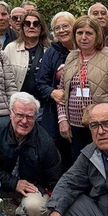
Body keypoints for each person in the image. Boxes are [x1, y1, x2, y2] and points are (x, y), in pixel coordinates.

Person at [55, 16, 108, 164]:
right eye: (80, 33)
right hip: (75, 127)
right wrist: (62, 119)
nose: (83, 37)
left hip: (104, 127)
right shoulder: (71, 57)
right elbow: (61, 92)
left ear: (97, 35)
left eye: (89, 33)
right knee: (81, 167)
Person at [33, 11, 75, 161]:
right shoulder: (51, 52)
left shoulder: (84, 49)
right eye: (57, 28)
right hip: (54, 113)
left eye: (65, 26)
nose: (62, 30)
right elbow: (40, 82)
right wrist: (52, 92)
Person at [4, 8, 45, 95]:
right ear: (23, 27)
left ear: (41, 28)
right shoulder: (11, 48)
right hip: (18, 99)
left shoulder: (49, 50)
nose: (31, 26)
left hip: (43, 99)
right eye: (27, 23)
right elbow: (4, 78)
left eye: (36, 23)